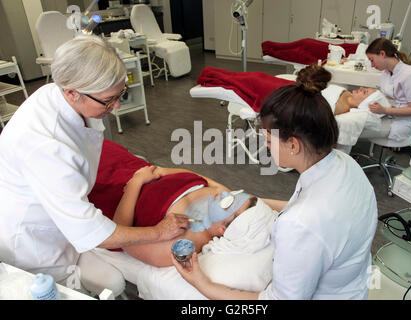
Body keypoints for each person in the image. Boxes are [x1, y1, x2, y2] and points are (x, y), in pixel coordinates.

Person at [0, 35, 189, 282]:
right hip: (36, 246)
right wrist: (158, 231)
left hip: (64, 216)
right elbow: (92, 231)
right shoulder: (46, 147)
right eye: (110, 100)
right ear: (72, 93)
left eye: (121, 93)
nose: (118, 106)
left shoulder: (62, 94)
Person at [172, 78, 379, 300]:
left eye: (269, 141)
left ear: (293, 145)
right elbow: (307, 210)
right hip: (354, 285)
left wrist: (200, 283)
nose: (265, 146)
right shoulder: (344, 164)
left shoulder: (300, 223)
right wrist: (251, 201)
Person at [108, 165, 257, 267]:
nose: (225, 194)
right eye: (235, 194)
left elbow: (122, 239)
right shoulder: (222, 195)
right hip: (139, 168)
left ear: (222, 230)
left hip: (114, 186)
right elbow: (200, 177)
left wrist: (136, 182)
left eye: (229, 201)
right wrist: (162, 171)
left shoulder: (182, 244)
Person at [364, 37, 411, 141]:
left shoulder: (410, 74)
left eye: (372, 60)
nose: (372, 65)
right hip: (386, 116)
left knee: (353, 130)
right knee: (352, 125)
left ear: (382, 54)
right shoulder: (386, 73)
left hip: (402, 123)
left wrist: (384, 110)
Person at [296, 64, 384, 116]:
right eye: (365, 88)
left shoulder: (339, 108)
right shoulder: (348, 94)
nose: (361, 88)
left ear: (365, 103)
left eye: (364, 92)